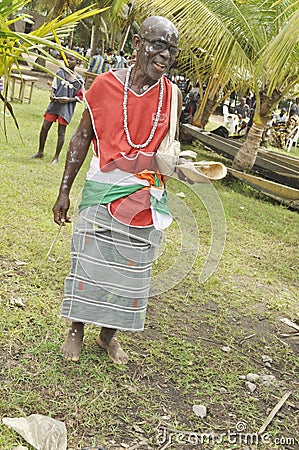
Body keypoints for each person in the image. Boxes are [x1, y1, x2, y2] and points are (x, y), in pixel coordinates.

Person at [52, 16, 182, 364]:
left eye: (172, 49)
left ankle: (108, 336)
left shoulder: (173, 95)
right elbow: (82, 136)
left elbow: (171, 147)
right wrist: (64, 191)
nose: (165, 55)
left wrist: (181, 165)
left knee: (132, 270)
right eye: (158, 45)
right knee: (89, 262)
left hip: (146, 194)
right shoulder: (105, 85)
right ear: (138, 44)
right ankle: (76, 328)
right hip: (102, 188)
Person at [31, 54, 84, 164]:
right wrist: (52, 95)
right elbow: (54, 87)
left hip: (66, 109)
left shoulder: (79, 80)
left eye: (71, 59)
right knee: (44, 127)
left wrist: (69, 100)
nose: (68, 61)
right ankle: (40, 151)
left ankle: (56, 157)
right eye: (67, 59)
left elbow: (80, 97)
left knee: (61, 132)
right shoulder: (60, 73)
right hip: (54, 105)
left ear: (77, 62)